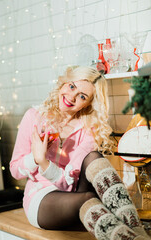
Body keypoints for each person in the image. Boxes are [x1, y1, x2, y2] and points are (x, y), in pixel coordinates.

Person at [10, 66, 149, 240]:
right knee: (89, 199)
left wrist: (45, 163)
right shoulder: (34, 117)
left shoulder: (88, 129)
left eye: (82, 96)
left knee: (93, 157)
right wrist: (37, 159)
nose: (72, 97)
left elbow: (69, 185)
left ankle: (138, 234)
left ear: (89, 103)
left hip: (74, 192)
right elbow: (15, 170)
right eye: (72, 86)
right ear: (63, 83)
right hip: (42, 201)